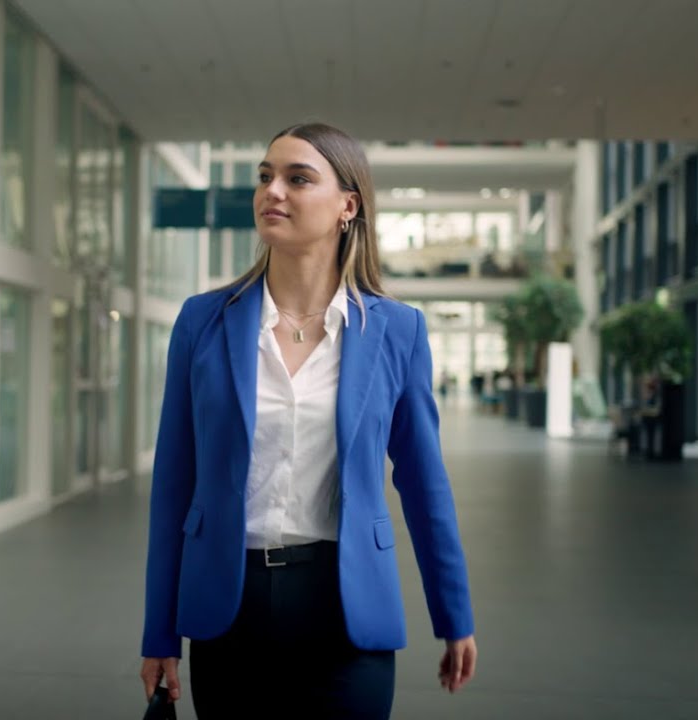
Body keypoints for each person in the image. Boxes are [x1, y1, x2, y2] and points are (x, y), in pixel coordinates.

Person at [139, 123, 477, 719]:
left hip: (346, 608)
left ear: (348, 205)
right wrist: (159, 633)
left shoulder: (397, 331)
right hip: (228, 606)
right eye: (266, 176)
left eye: (298, 178)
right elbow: (173, 485)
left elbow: (424, 485)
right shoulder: (201, 322)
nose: (274, 191)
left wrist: (455, 617)